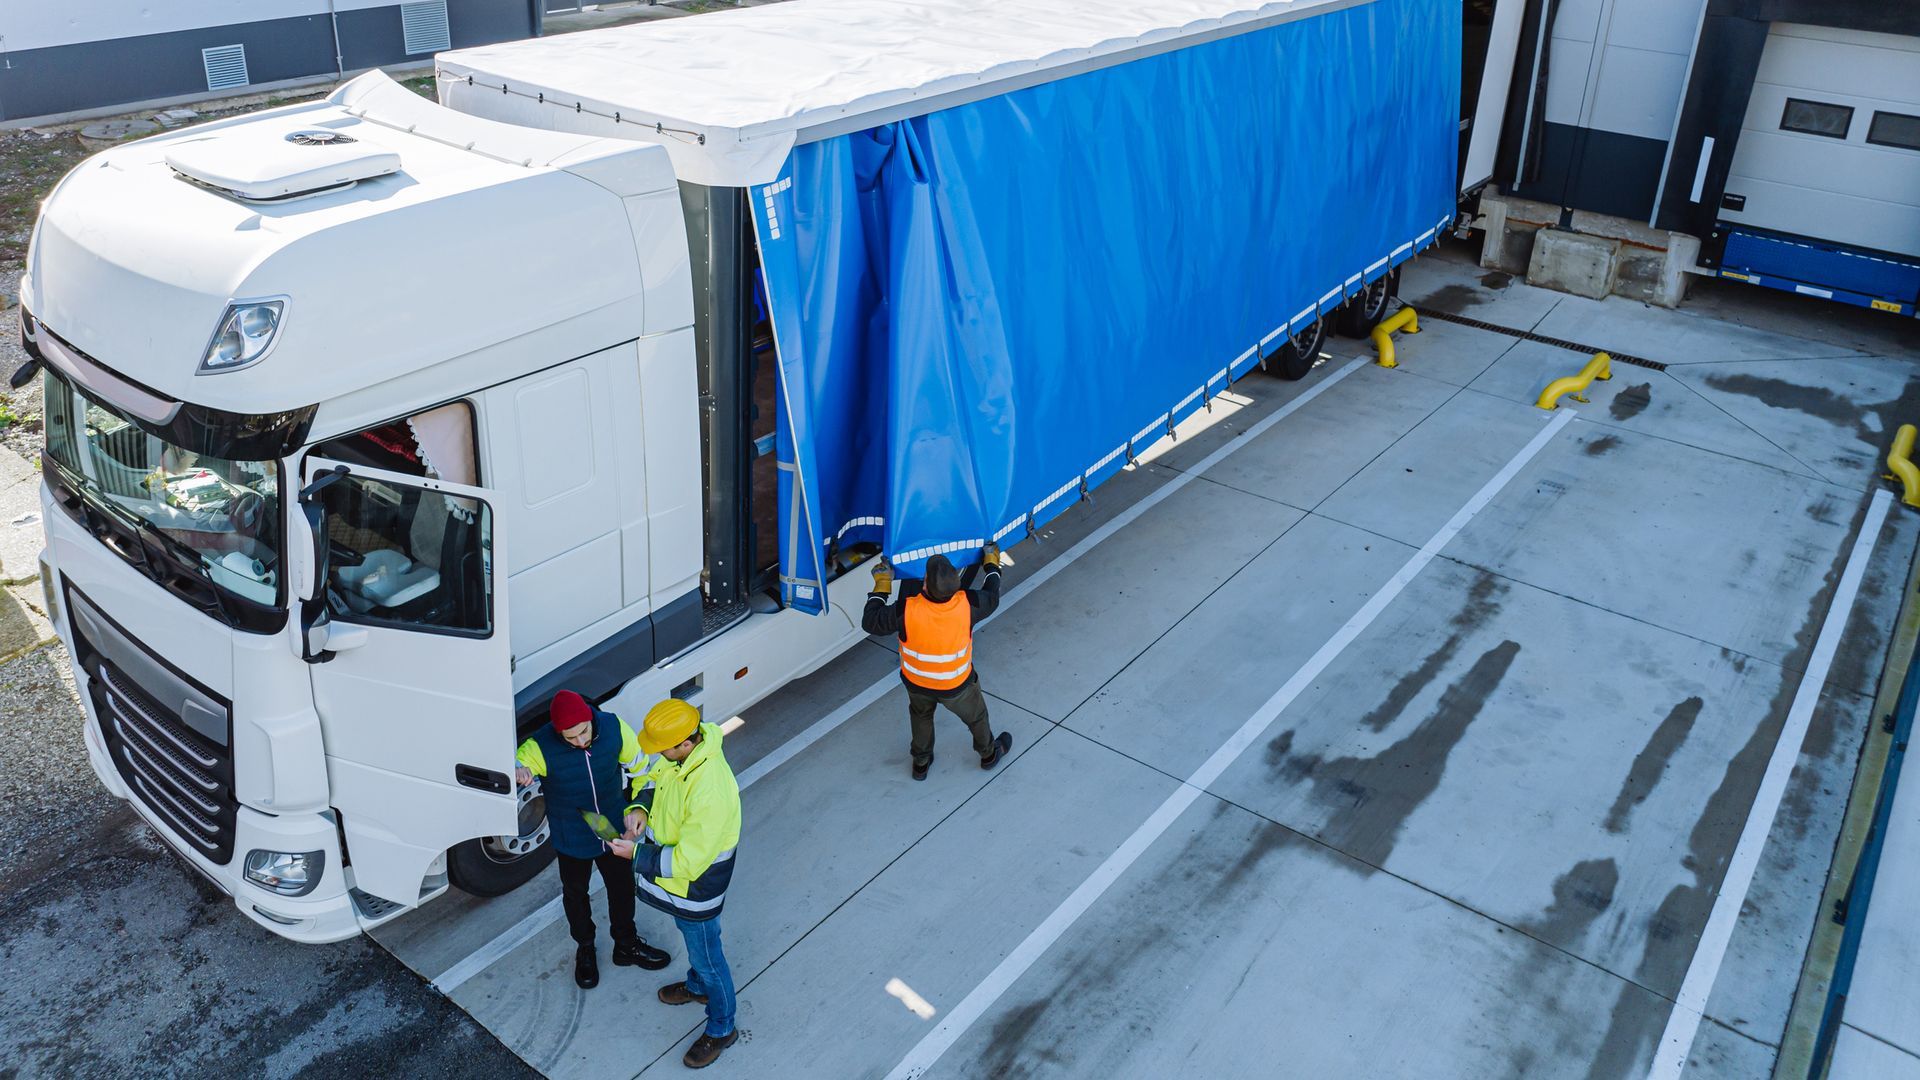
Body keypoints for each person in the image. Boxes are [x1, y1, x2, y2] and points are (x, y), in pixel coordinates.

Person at [609, 700, 743, 1070]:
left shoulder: (710, 789)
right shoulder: (680, 759)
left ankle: (722, 1028)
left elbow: (689, 861)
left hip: (696, 888)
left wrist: (635, 856)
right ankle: (697, 988)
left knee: (708, 957)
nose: (658, 755)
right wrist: (638, 810)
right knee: (694, 939)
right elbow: (654, 783)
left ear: (685, 742)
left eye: (662, 748)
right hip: (681, 888)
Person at [515, 690, 671, 990]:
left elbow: (643, 772)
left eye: (583, 732)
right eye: (569, 737)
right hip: (571, 833)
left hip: (613, 828)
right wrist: (518, 769)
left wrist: (639, 807)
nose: (580, 741)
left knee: (623, 887)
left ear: (590, 717)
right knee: (576, 893)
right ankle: (585, 948)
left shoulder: (614, 728)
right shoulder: (539, 746)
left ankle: (626, 945)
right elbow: (518, 763)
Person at [861, 545, 1014, 781]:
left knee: (921, 717)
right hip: (958, 686)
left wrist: (883, 584)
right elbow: (992, 596)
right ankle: (988, 754)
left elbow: (870, 622)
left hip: (917, 683)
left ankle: (921, 763)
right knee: (976, 718)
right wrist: (991, 563)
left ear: (924, 585)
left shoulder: (906, 609)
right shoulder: (969, 604)